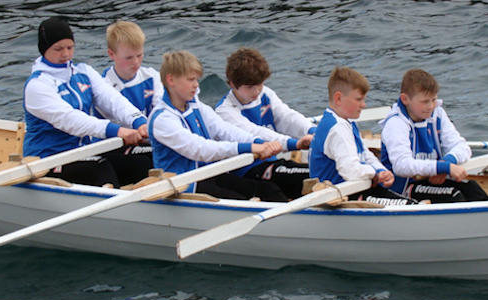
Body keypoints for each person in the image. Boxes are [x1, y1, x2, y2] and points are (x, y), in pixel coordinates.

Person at [22, 16, 149, 188]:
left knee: (145, 158)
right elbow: (70, 120)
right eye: (58, 49)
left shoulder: (84, 72)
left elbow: (113, 100)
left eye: (69, 47)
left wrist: (139, 121)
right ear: (44, 50)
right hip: (49, 159)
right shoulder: (37, 85)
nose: (65, 54)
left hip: (83, 152)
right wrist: (116, 130)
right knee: (101, 169)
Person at [148, 50, 288, 201]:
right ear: (171, 80)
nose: (196, 85)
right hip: (184, 184)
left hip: (209, 174)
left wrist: (259, 142)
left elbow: (224, 130)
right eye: (191, 80)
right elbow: (200, 149)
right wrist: (249, 148)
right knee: (240, 200)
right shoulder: (162, 119)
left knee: (268, 191)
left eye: (197, 80)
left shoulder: (196, 106)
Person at [215, 47, 316, 199]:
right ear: (232, 84)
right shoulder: (224, 111)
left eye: (259, 84)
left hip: (273, 161)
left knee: (320, 172)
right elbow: (256, 133)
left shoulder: (265, 94)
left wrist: (313, 131)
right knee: (310, 176)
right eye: (250, 87)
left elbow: (287, 117)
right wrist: (294, 144)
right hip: (248, 170)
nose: (256, 92)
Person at [380, 69, 488, 203]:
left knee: (472, 188)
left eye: (434, 99)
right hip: (402, 189)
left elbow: (462, 147)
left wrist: (446, 163)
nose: (431, 106)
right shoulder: (395, 123)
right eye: (425, 101)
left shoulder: (437, 114)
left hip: (430, 181)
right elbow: (402, 166)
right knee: (454, 195)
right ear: (405, 99)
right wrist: (443, 168)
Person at [309, 66, 416, 206]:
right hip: (339, 197)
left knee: (411, 204)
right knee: (410, 206)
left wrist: (380, 170)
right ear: (338, 98)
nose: (363, 105)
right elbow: (350, 170)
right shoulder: (336, 128)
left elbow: (365, 154)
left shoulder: (347, 122)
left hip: (356, 190)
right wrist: (375, 174)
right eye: (358, 99)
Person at [99, 20, 163, 184]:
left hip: (146, 140)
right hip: (115, 147)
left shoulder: (152, 77)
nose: (136, 62)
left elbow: (161, 111)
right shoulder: (104, 86)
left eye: (139, 55)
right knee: (147, 161)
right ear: (111, 54)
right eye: (128, 58)